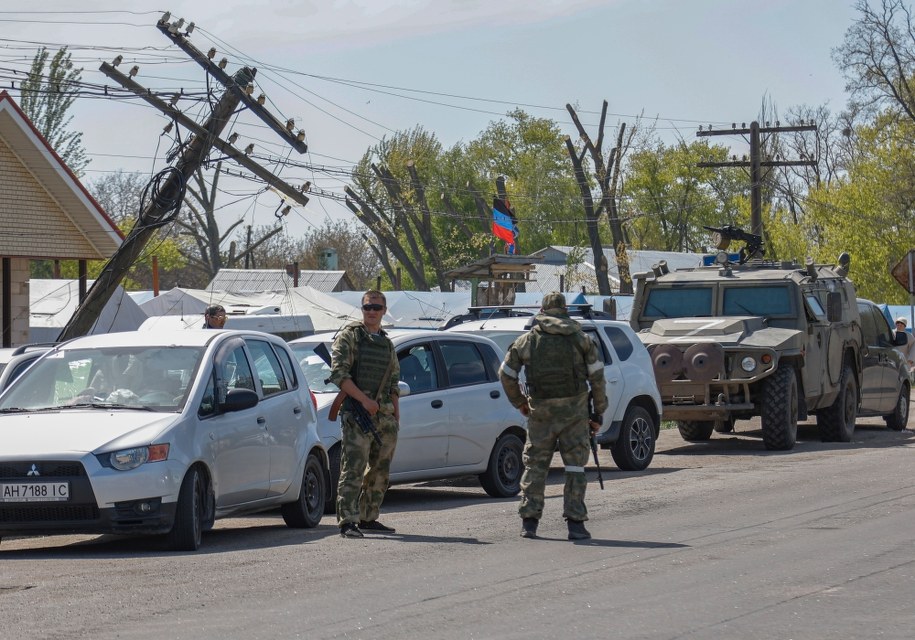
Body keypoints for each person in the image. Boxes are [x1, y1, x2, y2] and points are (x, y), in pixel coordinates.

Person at [499, 291, 609, 541]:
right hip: (575, 414)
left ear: (542, 310)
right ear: (565, 310)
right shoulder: (581, 339)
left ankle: (529, 523)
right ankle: (575, 524)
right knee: (574, 467)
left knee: (536, 465)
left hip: (541, 414)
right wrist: (598, 412)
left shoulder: (527, 341)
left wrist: (520, 403)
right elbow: (598, 379)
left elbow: (506, 374)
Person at [329, 290, 400, 538]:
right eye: (367, 307)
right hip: (357, 413)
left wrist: (395, 417)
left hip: (384, 416)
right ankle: (348, 520)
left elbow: (393, 384)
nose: (372, 312)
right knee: (354, 468)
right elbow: (339, 375)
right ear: (362, 309)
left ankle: (369, 516)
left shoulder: (387, 343)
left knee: (380, 470)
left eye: (377, 308)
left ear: (384, 310)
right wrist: (364, 401)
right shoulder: (350, 337)